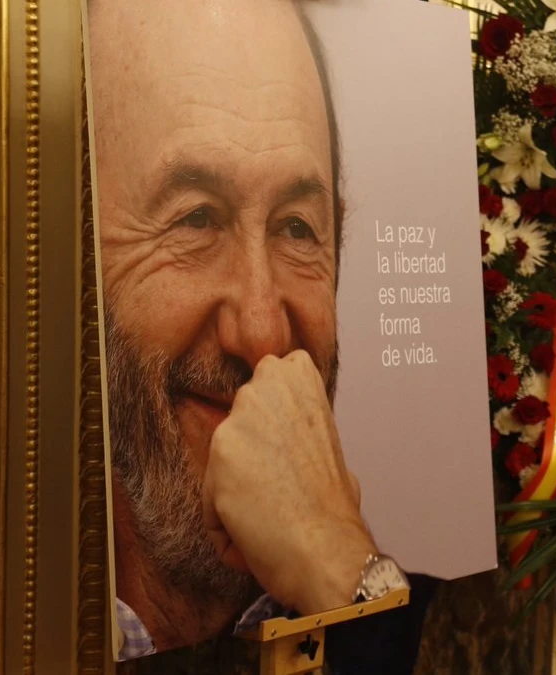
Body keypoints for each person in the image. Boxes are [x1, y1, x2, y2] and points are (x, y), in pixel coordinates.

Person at [87, 0, 406, 660]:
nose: (262, 330)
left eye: (297, 228)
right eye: (196, 219)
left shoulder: (413, 611)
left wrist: (340, 567)